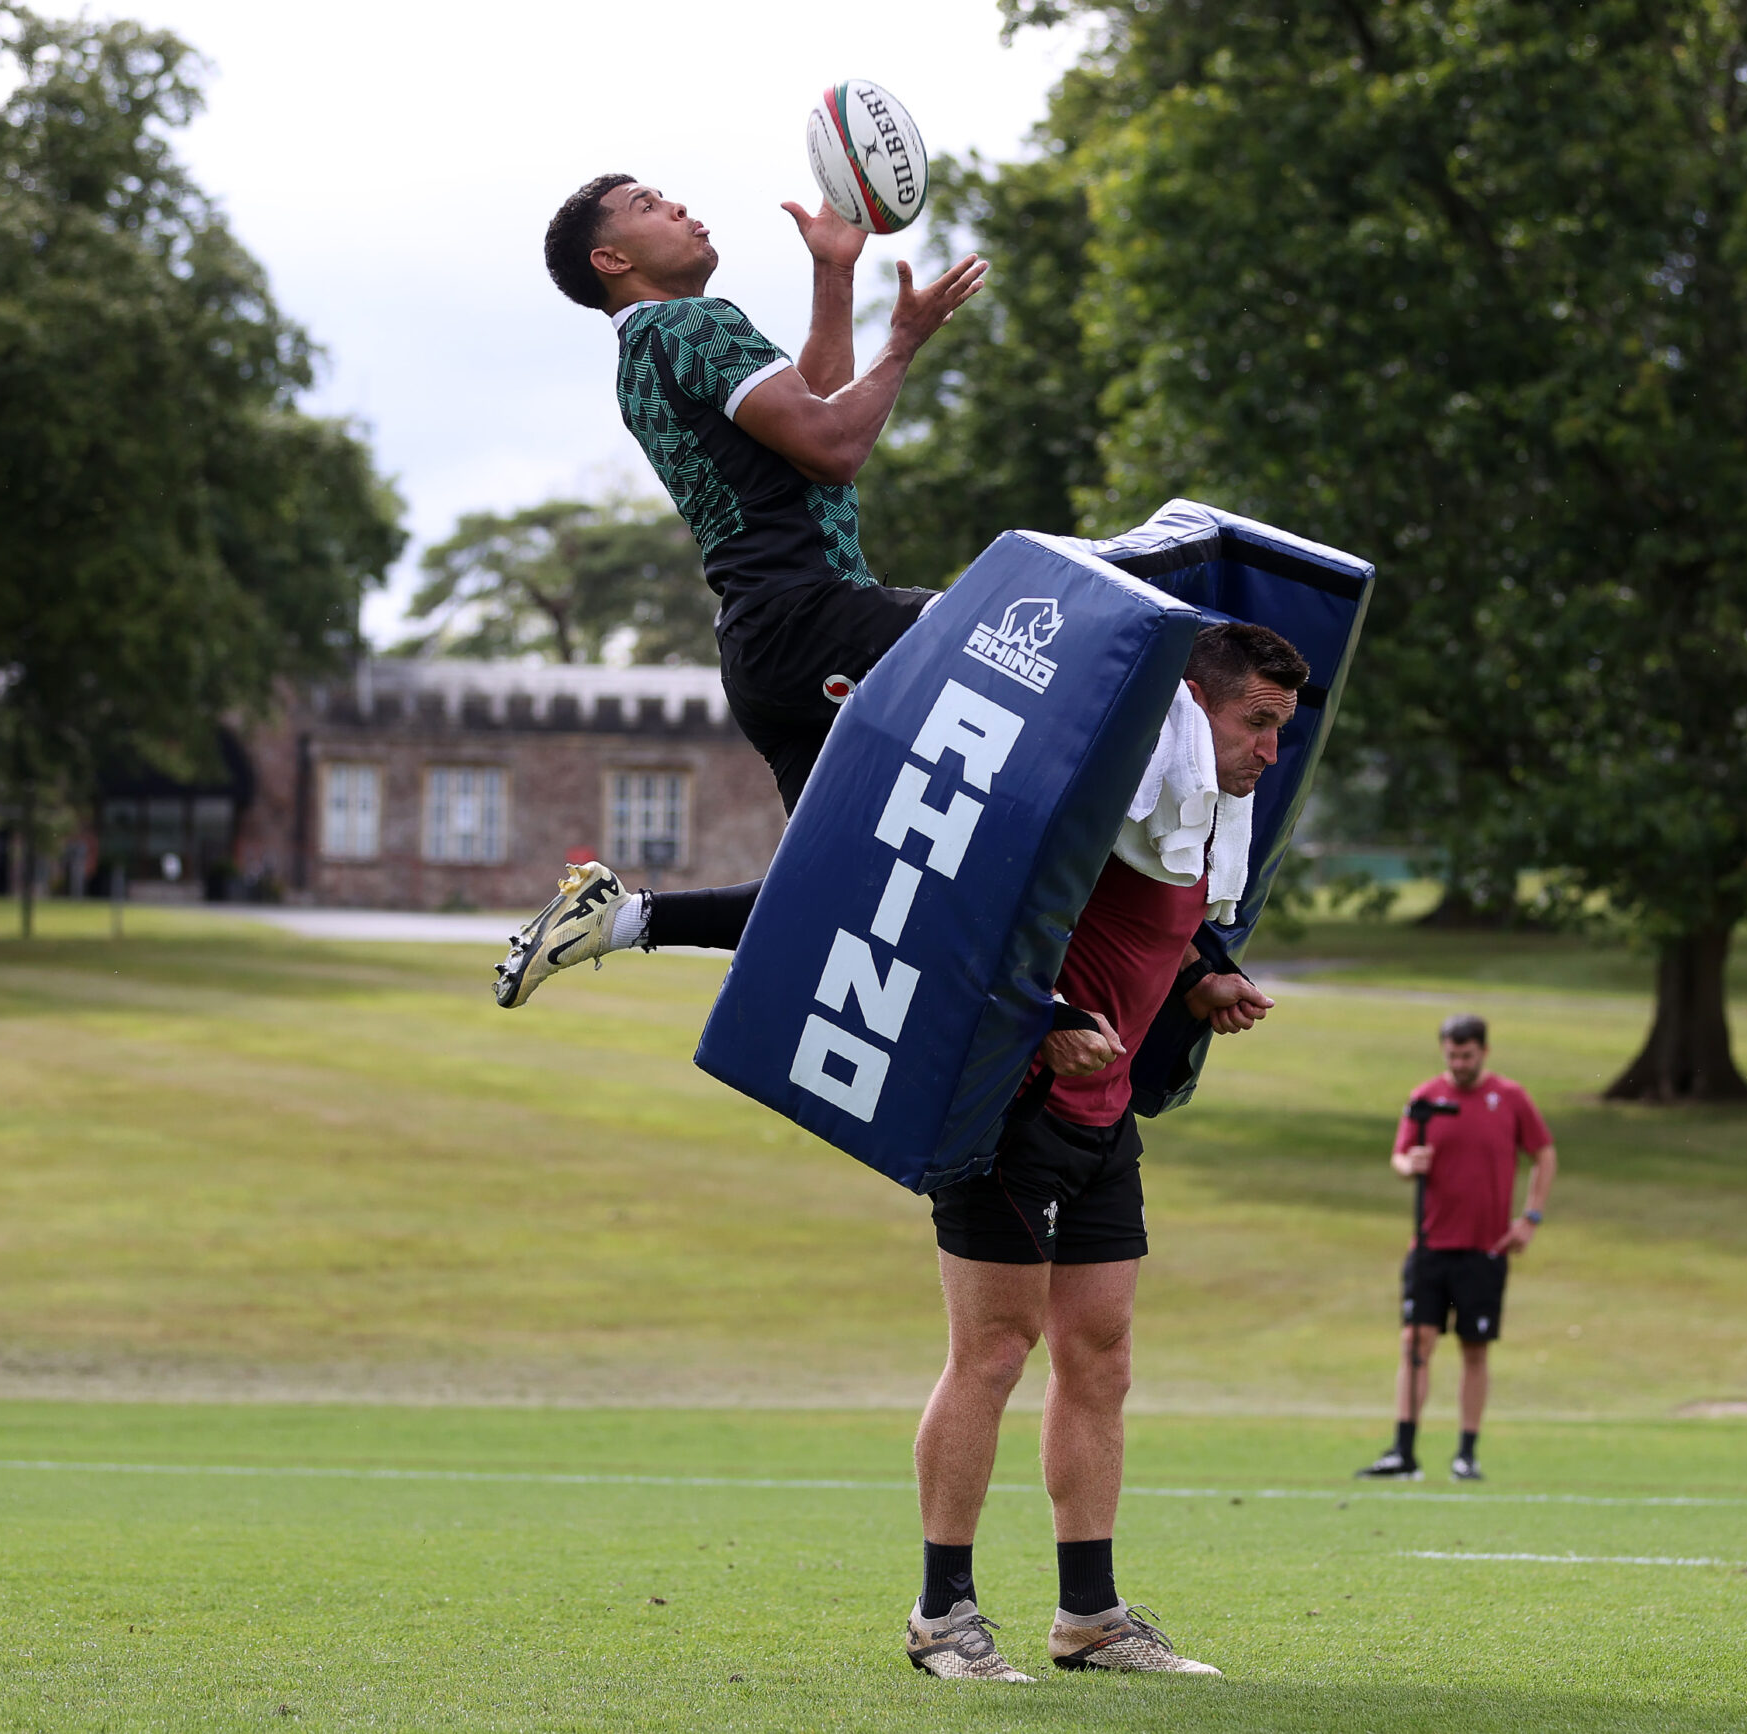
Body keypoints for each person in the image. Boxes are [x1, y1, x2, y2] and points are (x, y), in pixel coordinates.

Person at [903, 622, 1303, 1683]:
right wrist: (1046, 1021)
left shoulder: (1197, 825)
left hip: (1102, 1121)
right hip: (1006, 1113)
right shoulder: (1094, 805)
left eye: (1281, 728)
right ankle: (942, 1617)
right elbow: (972, 918)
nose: (1270, 748)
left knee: (1101, 1358)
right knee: (992, 1353)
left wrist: (1200, 981)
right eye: (1254, 722)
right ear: (1191, 709)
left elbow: (1140, 941)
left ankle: (1088, 1616)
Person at [496, 170, 982, 1008]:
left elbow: (809, 411)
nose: (679, 206)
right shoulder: (695, 323)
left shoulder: (645, 353)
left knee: (841, 895)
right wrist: (903, 343)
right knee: (1011, 635)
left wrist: (833, 272)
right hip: (813, 620)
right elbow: (832, 445)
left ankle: (625, 918)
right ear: (610, 258)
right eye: (649, 206)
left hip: (766, 657)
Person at [1354, 1014, 1558, 1483]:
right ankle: (1403, 1452)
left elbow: (1544, 1154)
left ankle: (1466, 1453)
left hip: (1485, 1248)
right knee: (1415, 1342)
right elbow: (1399, 1157)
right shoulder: (1425, 1099)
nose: (1459, 1063)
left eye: (1467, 1055)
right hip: (1429, 1245)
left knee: (1474, 1348)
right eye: (1451, 1054)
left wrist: (1530, 1218)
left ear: (1484, 1051)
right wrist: (1411, 1163)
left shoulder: (1509, 1099)